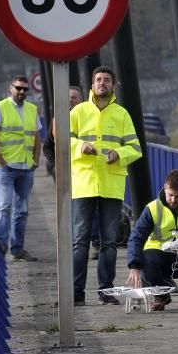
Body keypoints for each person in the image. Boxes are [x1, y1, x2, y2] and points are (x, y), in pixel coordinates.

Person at [70, 65, 142, 306]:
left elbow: (135, 148)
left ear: (113, 86)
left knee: (109, 242)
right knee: (79, 241)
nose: (102, 83)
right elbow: (63, 141)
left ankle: (106, 290)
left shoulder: (122, 114)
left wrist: (119, 154)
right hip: (84, 184)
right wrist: (80, 146)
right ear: (91, 85)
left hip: (111, 185)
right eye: (98, 79)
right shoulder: (78, 112)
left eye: (107, 80)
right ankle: (76, 293)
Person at [126, 169, 178, 311]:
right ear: (165, 188)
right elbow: (136, 237)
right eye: (170, 195)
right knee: (146, 258)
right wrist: (134, 266)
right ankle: (161, 295)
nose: (173, 200)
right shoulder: (152, 208)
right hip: (159, 253)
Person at [42, 85, 102, 259]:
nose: (70, 100)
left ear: (81, 99)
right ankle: (75, 242)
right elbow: (47, 146)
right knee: (69, 207)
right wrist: (55, 165)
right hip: (64, 172)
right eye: (67, 97)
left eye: (74, 97)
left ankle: (96, 242)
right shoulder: (57, 119)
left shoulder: (90, 117)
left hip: (86, 171)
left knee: (92, 207)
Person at [0, 75, 42, 261]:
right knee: (4, 206)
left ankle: (17, 249)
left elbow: (36, 137)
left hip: (26, 167)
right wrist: (0, 160)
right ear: (10, 88)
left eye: (25, 89)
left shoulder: (32, 109)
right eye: (18, 88)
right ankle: (0, 246)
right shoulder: (0, 107)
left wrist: (36, 159)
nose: (22, 92)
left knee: (22, 210)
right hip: (6, 168)